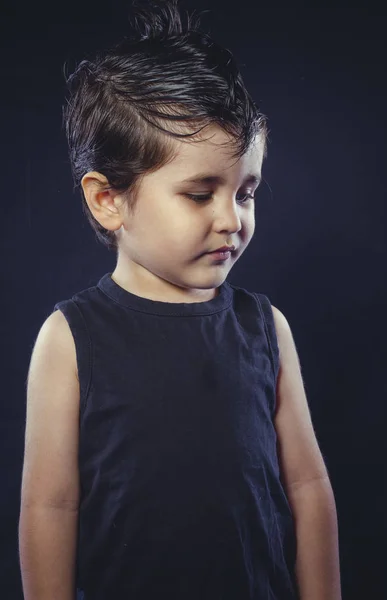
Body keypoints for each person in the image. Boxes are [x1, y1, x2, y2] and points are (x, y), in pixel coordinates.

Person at [18, 1, 342, 599]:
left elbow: (307, 487)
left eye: (246, 193)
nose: (231, 220)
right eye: (199, 194)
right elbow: (50, 506)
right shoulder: (69, 339)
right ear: (108, 200)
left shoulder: (266, 328)